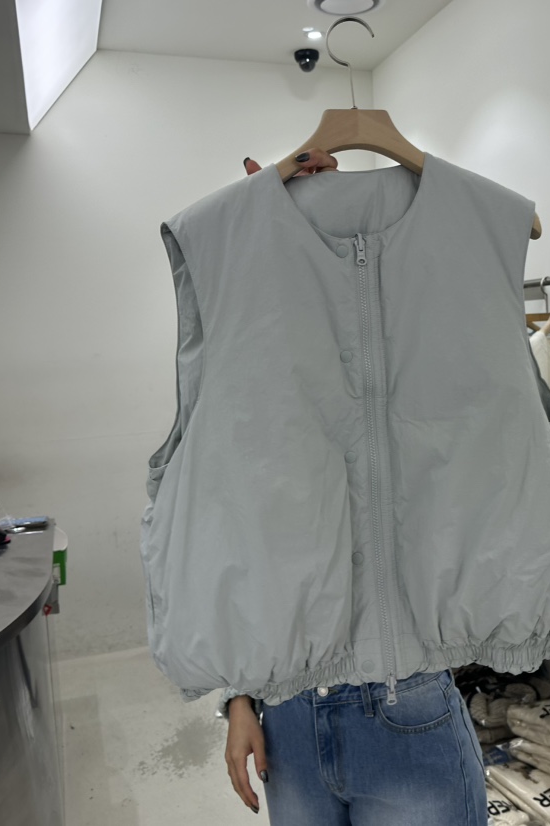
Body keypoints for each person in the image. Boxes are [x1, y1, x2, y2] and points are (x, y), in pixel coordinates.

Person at [222, 148, 489, 825]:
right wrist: (238, 699)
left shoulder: (411, 343)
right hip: (287, 720)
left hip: (408, 708)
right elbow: (234, 547)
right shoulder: (254, 370)